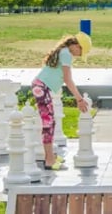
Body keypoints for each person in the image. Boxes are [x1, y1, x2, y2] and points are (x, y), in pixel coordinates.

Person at [31, 32, 92, 170]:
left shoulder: (64, 51)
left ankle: (50, 156)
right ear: (76, 46)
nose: (79, 56)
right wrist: (79, 99)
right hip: (41, 87)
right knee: (48, 123)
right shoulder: (66, 54)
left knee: (50, 122)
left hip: (41, 87)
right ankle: (49, 161)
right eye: (80, 52)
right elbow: (67, 79)